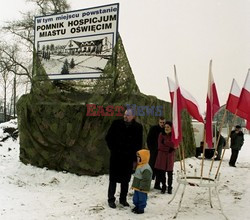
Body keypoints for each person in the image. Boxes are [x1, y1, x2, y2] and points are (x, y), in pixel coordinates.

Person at [105, 108, 143, 208]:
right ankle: (111, 199)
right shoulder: (116, 124)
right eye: (125, 114)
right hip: (116, 156)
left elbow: (139, 144)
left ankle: (123, 199)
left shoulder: (138, 127)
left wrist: (135, 159)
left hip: (128, 158)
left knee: (125, 180)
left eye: (128, 115)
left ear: (133, 116)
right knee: (113, 179)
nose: (125, 116)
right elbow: (108, 138)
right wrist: (113, 149)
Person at [154, 121, 175, 194]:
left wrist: (165, 142)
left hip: (169, 157)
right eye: (165, 127)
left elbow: (174, 144)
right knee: (162, 173)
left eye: (168, 127)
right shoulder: (161, 135)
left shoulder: (173, 136)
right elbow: (160, 146)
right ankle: (163, 186)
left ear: (171, 128)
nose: (166, 128)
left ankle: (169, 187)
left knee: (170, 173)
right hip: (162, 156)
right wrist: (169, 148)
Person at [131, 149, 152, 214]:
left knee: (142, 198)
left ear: (143, 158)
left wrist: (142, 186)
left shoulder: (146, 168)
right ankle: (137, 206)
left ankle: (141, 208)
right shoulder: (139, 165)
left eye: (139, 157)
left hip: (142, 187)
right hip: (137, 187)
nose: (137, 159)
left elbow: (146, 178)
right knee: (136, 198)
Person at [146, 117, 165, 189]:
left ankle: (157, 184)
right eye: (161, 122)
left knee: (160, 169)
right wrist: (151, 148)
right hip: (154, 151)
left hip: (161, 152)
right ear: (158, 122)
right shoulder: (153, 129)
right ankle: (147, 183)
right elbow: (149, 139)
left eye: (163, 122)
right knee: (151, 167)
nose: (162, 124)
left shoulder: (165, 130)